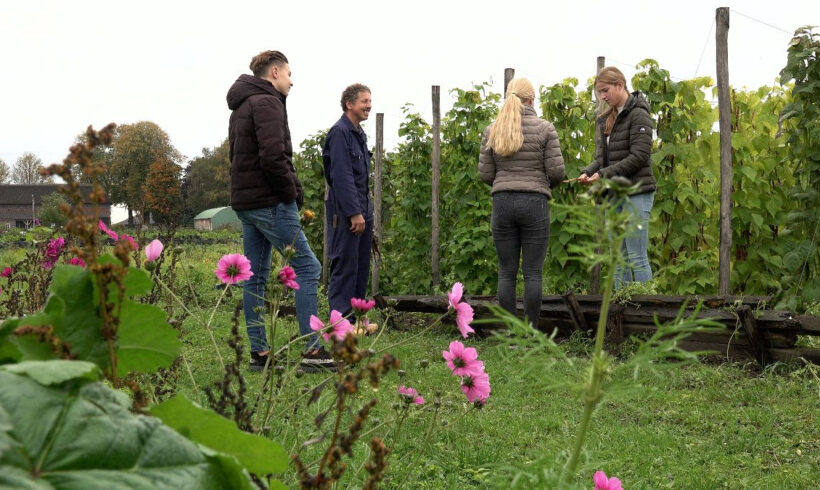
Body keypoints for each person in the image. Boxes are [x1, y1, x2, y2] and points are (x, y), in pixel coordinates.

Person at [226, 50, 333, 372]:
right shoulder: (267, 102)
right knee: (308, 268)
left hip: (247, 203)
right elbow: (273, 158)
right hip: (270, 201)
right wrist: (292, 195)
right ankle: (313, 352)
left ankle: (260, 354)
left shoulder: (243, 104)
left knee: (255, 277)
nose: (291, 80)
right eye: (288, 73)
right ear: (274, 72)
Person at [479, 78, 565, 327]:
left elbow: (485, 174)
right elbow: (557, 172)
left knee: (506, 272)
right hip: (535, 202)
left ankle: (509, 334)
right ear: (531, 99)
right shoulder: (545, 128)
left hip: (502, 203)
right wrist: (543, 186)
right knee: (533, 273)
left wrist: (504, 184)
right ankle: (531, 335)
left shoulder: (492, 130)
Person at [576, 66, 656, 287]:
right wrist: (588, 171)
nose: (602, 96)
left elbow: (639, 156)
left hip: (638, 191)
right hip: (615, 195)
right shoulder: (607, 118)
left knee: (636, 255)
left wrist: (602, 175)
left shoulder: (639, 114)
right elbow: (603, 158)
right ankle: (620, 308)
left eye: (605, 90)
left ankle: (645, 308)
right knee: (619, 258)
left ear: (620, 85)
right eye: (599, 92)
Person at [322, 84, 373, 321]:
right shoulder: (340, 133)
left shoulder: (358, 134)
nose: (369, 106)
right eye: (364, 101)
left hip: (363, 209)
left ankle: (356, 318)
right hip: (345, 213)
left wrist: (364, 211)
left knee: (361, 265)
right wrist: (354, 212)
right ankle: (340, 320)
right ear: (349, 104)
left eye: (369, 101)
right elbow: (341, 177)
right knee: (345, 265)